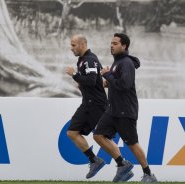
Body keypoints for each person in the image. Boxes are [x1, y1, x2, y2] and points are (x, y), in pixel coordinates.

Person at [93, 33, 158, 182]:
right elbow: (119, 82)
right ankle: (122, 164)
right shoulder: (117, 62)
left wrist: (108, 75)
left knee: (132, 143)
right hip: (113, 110)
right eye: (111, 43)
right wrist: (108, 82)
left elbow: (125, 85)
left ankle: (149, 174)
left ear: (124, 46)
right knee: (98, 135)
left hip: (125, 110)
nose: (111, 45)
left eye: (115, 43)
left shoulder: (126, 62)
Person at [65, 34, 108, 179]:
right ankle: (100, 161)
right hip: (91, 102)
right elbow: (98, 79)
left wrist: (74, 75)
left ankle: (113, 162)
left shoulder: (88, 60)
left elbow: (90, 81)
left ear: (83, 44)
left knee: (77, 133)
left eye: (73, 45)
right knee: (77, 133)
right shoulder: (87, 59)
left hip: (93, 104)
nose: (71, 48)